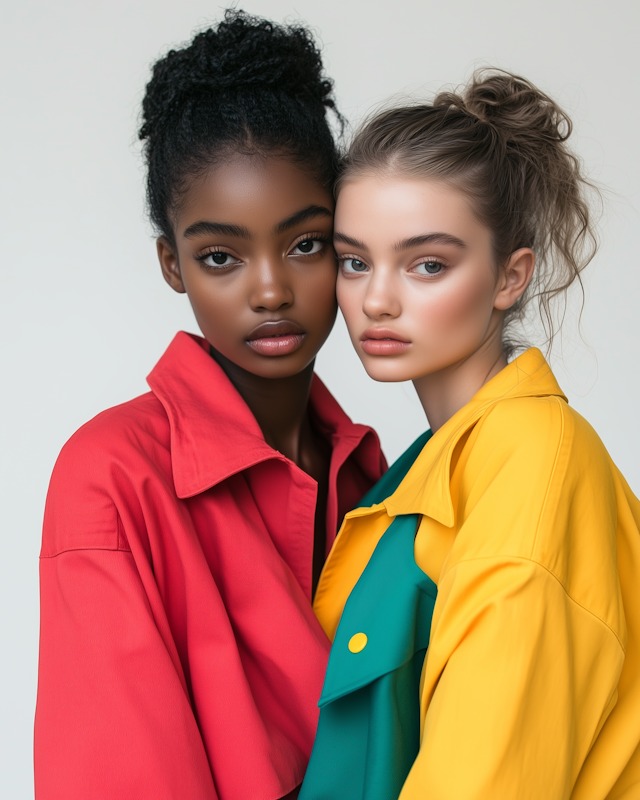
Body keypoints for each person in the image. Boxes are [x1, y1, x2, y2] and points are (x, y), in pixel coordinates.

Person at [34, 11, 386, 800]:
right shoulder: (112, 478)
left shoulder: (374, 480)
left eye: (306, 243)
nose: (269, 290)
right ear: (173, 265)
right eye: (220, 256)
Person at [300, 70, 640, 799]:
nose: (377, 299)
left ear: (509, 277)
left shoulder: (533, 473)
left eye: (428, 264)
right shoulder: (445, 460)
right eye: (354, 261)